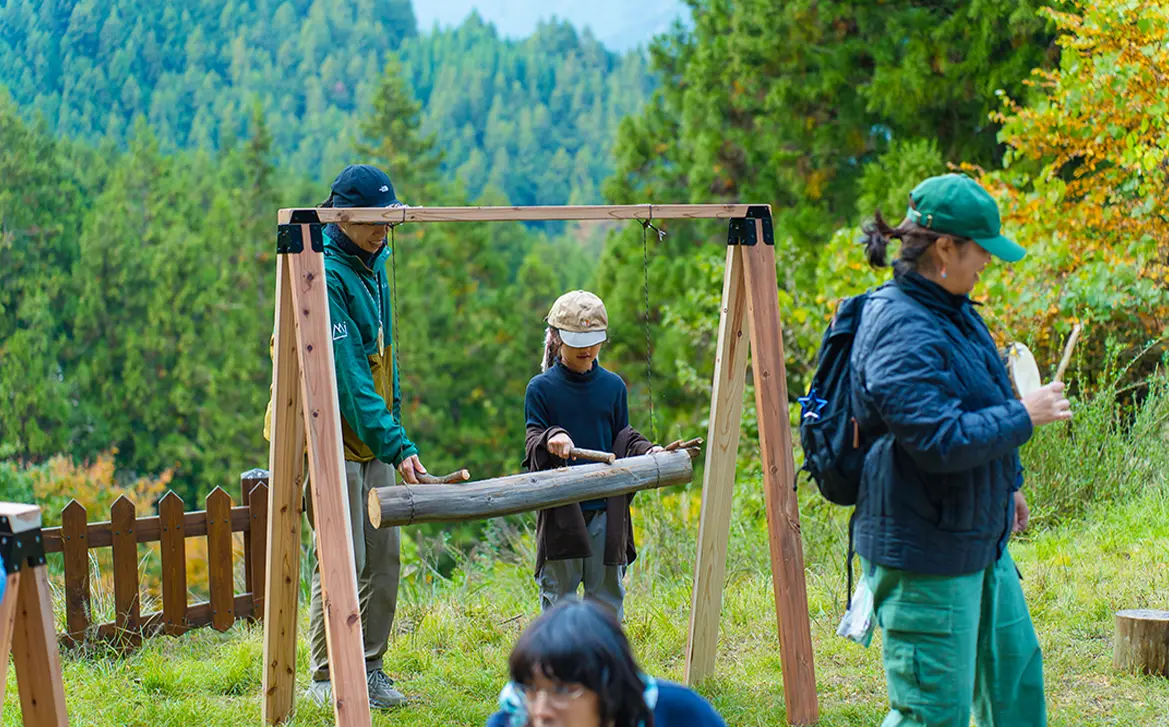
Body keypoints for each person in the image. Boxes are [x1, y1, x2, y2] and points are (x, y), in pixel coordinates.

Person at [850, 173, 1071, 726]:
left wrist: (1009, 482)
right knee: (931, 714)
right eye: (982, 251)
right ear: (946, 247)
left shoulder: (956, 309)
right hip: (926, 555)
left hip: (980, 537)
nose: (988, 264)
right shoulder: (899, 326)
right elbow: (937, 439)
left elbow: (981, 396)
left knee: (1015, 684)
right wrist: (1026, 414)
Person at [264, 164, 428, 709]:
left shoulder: (375, 260)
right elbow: (350, 382)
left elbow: (384, 361)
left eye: (389, 220)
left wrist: (393, 428)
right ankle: (324, 676)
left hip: (373, 434)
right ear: (343, 217)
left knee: (384, 559)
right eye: (373, 221)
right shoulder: (324, 273)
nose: (384, 230)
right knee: (342, 556)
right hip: (327, 431)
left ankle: (371, 668)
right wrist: (399, 444)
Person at [523, 290, 661, 620]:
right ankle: (560, 670)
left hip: (606, 514)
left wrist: (648, 450)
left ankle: (604, 668)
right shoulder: (540, 389)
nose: (586, 348)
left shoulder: (613, 387)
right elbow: (532, 442)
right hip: (561, 515)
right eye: (576, 339)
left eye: (593, 339)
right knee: (560, 605)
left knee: (607, 602)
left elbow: (622, 438)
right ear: (555, 338)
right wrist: (551, 436)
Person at [487, 598, 726, 727]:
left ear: (609, 689)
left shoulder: (680, 715)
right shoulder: (511, 720)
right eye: (530, 689)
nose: (541, 712)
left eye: (562, 690)